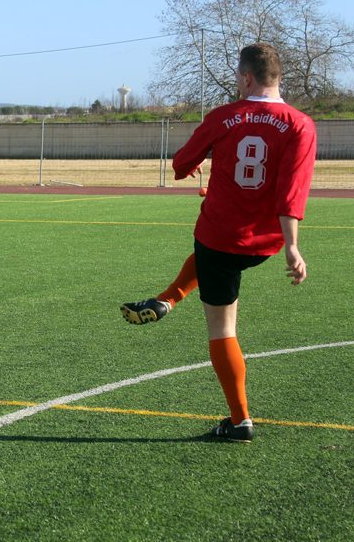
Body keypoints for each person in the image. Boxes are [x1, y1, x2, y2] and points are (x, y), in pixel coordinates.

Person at [120, 43, 317, 443]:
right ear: (277, 78)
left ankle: (240, 420)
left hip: (220, 237)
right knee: (211, 265)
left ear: (246, 77)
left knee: (222, 328)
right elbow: (291, 191)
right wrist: (293, 246)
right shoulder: (301, 124)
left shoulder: (224, 117)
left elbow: (180, 164)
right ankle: (168, 298)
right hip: (265, 243)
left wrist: (198, 165)